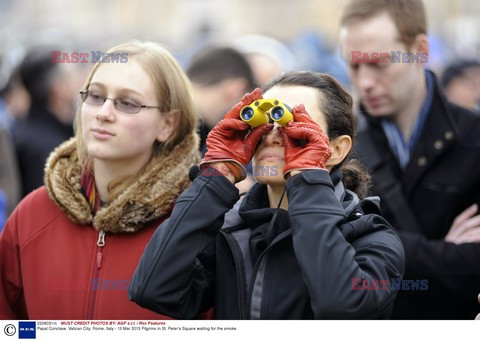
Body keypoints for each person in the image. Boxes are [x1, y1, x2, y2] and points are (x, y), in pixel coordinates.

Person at [129, 71, 405, 319]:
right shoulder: (231, 231)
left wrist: (306, 176)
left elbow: (341, 305)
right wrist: (216, 176)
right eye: (264, 122)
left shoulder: (373, 239)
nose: (272, 136)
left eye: (294, 124)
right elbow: (154, 289)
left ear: (336, 149)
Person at [0, 41, 205, 319]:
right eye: (95, 96)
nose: (103, 113)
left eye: (127, 103)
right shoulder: (32, 215)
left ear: (167, 124)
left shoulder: (194, 223)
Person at [339, 0, 480, 319]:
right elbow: (336, 260)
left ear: (420, 49)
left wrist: (379, 249)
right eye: (354, 65)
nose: (364, 82)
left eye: (378, 63)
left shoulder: (474, 139)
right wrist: (444, 254)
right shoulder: (340, 147)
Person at [13, 48, 80, 197]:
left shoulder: (26, 131)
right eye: (71, 77)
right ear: (59, 88)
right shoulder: (47, 151)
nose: (79, 83)